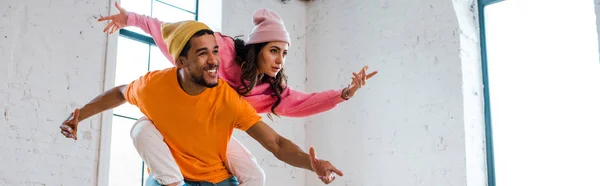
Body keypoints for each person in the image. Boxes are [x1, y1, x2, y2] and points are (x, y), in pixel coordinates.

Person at [97, 2, 377, 186]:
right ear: (257, 48)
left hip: (215, 136)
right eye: (274, 51)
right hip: (181, 123)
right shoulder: (224, 51)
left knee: (256, 175)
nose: (280, 60)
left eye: (285, 53)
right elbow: (178, 35)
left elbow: (305, 104)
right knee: (142, 128)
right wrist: (132, 19)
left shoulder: (271, 92)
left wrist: (344, 93)